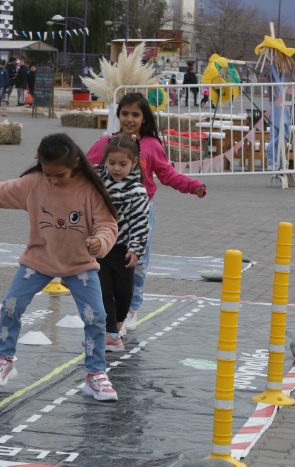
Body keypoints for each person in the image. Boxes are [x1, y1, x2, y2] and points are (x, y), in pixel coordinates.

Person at [0, 133, 120, 402]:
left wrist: (101, 241)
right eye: (47, 173)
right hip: (39, 260)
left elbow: (108, 224)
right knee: (11, 305)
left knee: (96, 317)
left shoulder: (89, 189)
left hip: (80, 264)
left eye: (59, 175)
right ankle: (3, 359)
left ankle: (95, 374)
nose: (52, 180)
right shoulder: (34, 184)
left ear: (75, 162)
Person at [87, 92, 206, 334]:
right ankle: (109, 315)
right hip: (107, 215)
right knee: (104, 266)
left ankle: (131, 309)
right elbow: (84, 168)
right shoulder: (106, 144)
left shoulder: (151, 145)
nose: (129, 119)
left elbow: (168, 175)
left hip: (140, 214)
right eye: (125, 113)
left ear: (144, 118)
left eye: (135, 114)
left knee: (136, 264)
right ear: (118, 115)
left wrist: (192, 186)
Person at [96, 135, 149, 352]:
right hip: (100, 247)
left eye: (123, 164)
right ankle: (109, 333)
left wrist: (135, 250)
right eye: (112, 163)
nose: (116, 168)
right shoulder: (98, 180)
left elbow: (140, 222)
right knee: (103, 291)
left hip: (123, 249)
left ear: (133, 164)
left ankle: (117, 324)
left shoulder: (136, 191)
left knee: (124, 293)